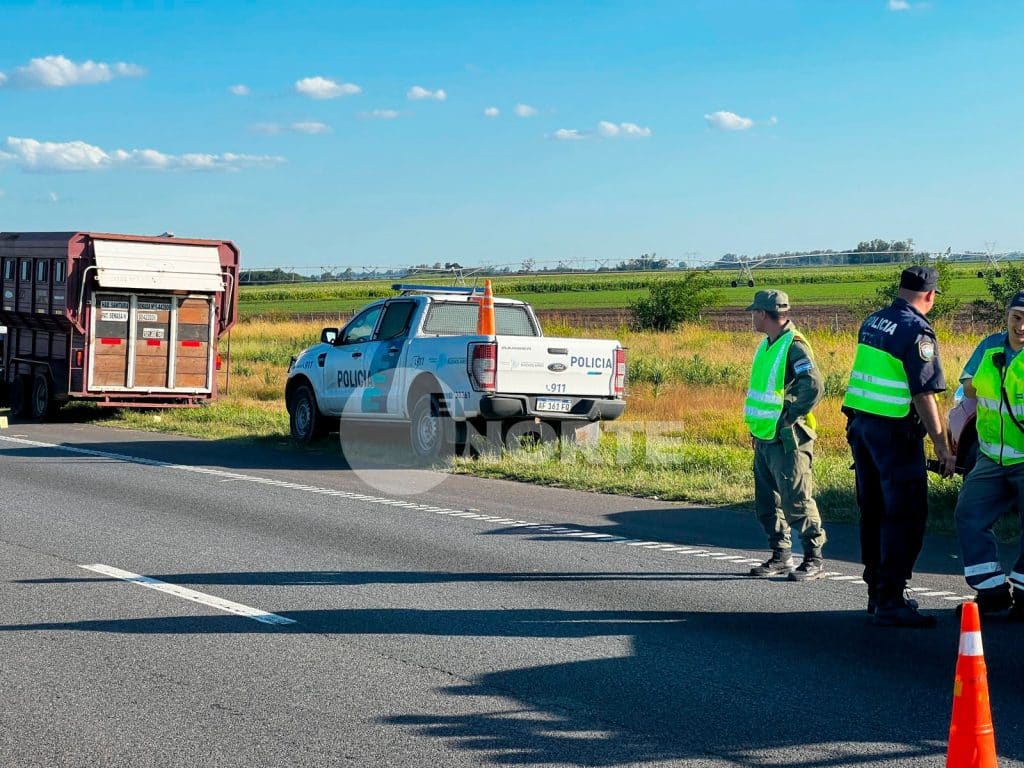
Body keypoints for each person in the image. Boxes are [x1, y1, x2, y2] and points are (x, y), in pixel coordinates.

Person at [843, 266, 955, 628]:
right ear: (931, 295)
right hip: (894, 435)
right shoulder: (916, 331)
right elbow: (923, 394)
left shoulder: (874, 321)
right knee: (905, 514)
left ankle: (877, 591)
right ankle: (892, 597)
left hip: (862, 429)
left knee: (872, 511)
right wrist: (942, 446)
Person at [743, 289, 828, 582]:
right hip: (766, 437)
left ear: (764, 314)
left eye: (754, 312)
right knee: (766, 503)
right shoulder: (769, 344)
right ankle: (781, 556)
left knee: (796, 500)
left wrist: (788, 416)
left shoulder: (794, 345)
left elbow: (814, 386)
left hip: (789, 438)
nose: (752, 317)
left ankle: (814, 558)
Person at [952, 290, 1024, 619]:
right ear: (1007, 316)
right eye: (1017, 317)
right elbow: (966, 385)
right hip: (991, 457)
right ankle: (992, 590)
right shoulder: (990, 346)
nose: (1021, 326)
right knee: (969, 514)